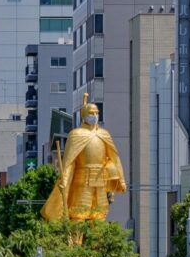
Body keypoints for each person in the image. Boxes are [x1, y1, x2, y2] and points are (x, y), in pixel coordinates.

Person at [41, 94, 127, 223]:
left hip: (100, 180)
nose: (94, 116)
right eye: (91, 113)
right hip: (82, 181)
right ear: (84, 115)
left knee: (99, 215)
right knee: (79, 213)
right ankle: (76, 243)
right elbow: (69, 162)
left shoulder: (104, 134)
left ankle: (97, 243)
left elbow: (115, 158)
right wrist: (64, 179)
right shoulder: (76, 134)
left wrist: (122, 179)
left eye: (96, 113)